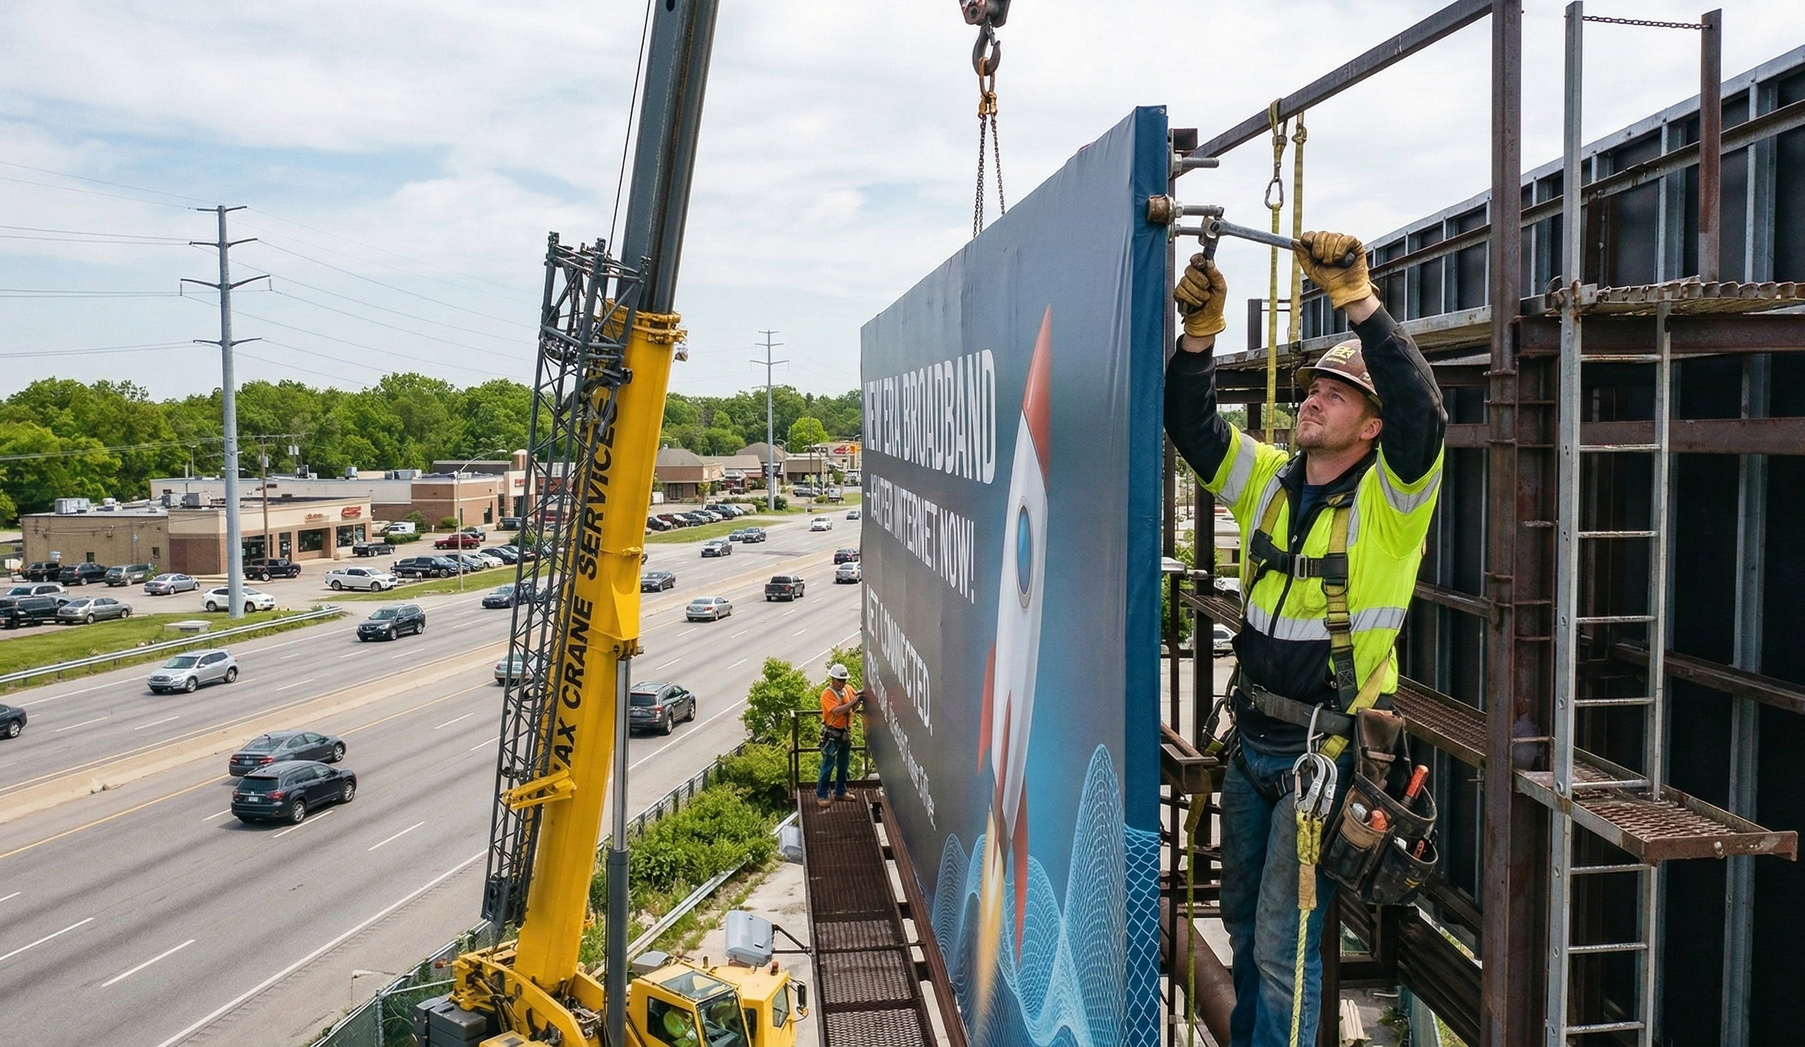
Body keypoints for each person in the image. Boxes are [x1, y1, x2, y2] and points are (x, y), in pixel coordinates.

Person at [1164, 232, 1446, 1047]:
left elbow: (1424, 412)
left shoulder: (1392, 504)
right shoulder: (1269, 480)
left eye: (1335, 392)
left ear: (1369, 428)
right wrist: (1198, 339)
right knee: (1246, 927)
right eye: (1312, 386)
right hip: (1254, 742)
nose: (1312, 399)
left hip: (1318, 762)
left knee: (1286, 951)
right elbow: (1189, 422)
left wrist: (1358, 301)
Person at [816, 663, 862, 808]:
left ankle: (840, 791)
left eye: (844, 680)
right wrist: (854, 702)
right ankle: (822, 794)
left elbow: (853, 707)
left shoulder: (848, 690)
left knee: (843, 764)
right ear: (832, 679)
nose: (842, 683)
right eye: (839, 680)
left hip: (844, 733)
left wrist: (857, 701)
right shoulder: (827, 694)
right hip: (832, 734)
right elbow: (837, 711)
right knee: (828, 764)